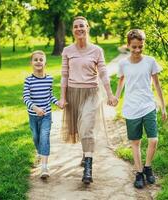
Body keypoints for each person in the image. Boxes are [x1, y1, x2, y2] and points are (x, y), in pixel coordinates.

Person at [58, 16, 117, 184]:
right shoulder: (67, 51)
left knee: (87, 126)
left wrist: (110, 94)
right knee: (79, 128)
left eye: (82, 26)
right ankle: (86, 153)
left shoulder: (97, 50)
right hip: (73, 93)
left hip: (91, 93)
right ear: (72, 30)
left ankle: (88, 168)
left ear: (88, 28)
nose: (79, 29)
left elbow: (104, 74)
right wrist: (63, 98)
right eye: (76, 26)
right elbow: (64, 75)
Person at [113, 29, 167, 189]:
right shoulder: (123, 63)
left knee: (153, 140)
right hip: (131, 107)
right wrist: (116, 97)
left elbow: (157, 84)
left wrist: (163, 106)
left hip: (148, 105)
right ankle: (138, 172)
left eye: (140, 46)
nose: (137, 50)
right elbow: (120, 81)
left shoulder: (150, 61)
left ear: (144, 44)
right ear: (128, 45)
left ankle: (148, 167)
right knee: (135, 142)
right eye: (134, 47)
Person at [23, 50, 61, 179]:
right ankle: (40, 152)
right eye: (36, 60)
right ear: (31, 63)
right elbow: (26, 98)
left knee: (44, 137)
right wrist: (35, 108)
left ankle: (44, 167)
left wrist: (57, 102)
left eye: (41, 59)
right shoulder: (28, 80)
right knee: (36, 137)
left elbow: (50, 95)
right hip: (33, 116)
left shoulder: (49, 79)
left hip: (46, 115)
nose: (38, 62)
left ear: (45, 63)